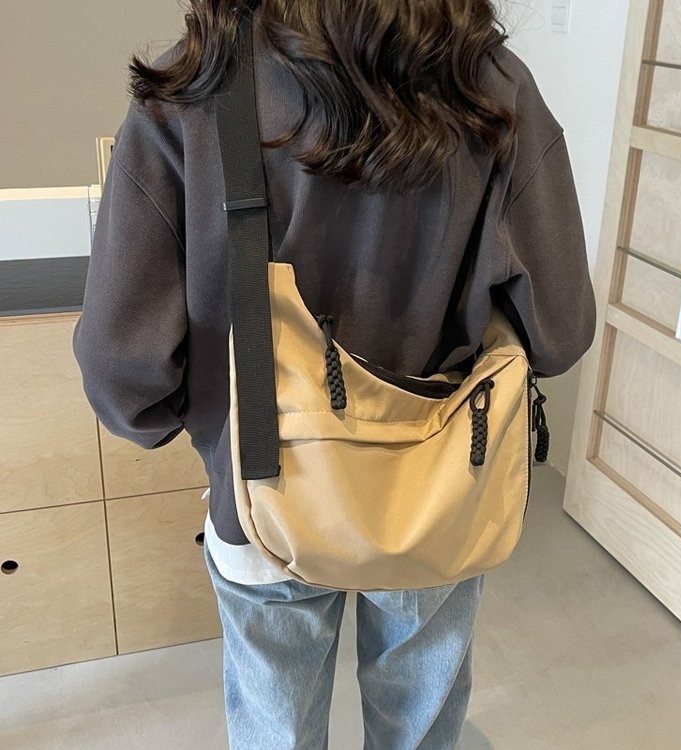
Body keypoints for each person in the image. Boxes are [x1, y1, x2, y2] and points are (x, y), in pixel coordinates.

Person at [73, 0, 597, 747]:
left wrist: (197, 425)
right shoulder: (488, 82)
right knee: (419, 725)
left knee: (276, 725)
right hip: (437, 490)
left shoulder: (197, 85)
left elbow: (122, 368)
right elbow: (560, 330)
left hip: (259, 494)